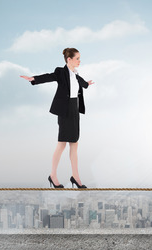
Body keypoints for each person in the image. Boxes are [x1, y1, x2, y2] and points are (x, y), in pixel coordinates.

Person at [20, 48, 94, 189]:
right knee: (62, 144)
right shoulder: (61, 72)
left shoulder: (76, 75)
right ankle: (53, 175)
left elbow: (81, 83)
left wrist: (87, 84)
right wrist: (33, 79)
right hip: (64, 111)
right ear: (69, 60)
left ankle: (75, 177)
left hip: (74, 110)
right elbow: (49, 76)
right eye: (77, 58)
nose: (79, 61)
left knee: (74, 144)